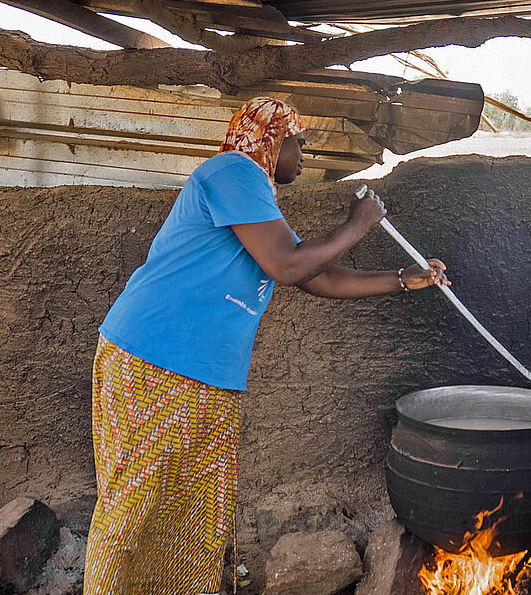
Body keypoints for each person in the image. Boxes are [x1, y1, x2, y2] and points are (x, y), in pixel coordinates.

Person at [83, 97, 449, 594]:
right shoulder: (233, 172)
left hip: (200, 374)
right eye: (298, 140)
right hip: (155, 361)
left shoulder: (255, 202)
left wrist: (403, 279)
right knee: (137, 507)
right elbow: (290, 266)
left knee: (192, 511)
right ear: (271, 140)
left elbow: (315, 275)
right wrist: (359, 223)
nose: (305, 151)